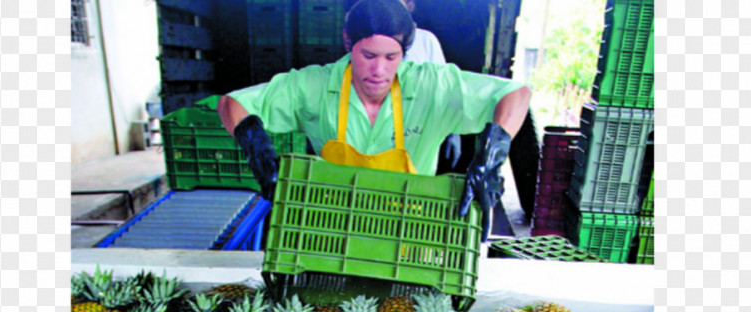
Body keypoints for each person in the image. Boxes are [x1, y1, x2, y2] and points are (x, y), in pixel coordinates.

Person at [217, 0, 530, 240]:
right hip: (331, 234)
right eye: (368, 56)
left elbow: (516, 94)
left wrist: (490, 158)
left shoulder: (431, 85)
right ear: (347, 42)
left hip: (411, 236)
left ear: (405, 51)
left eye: (391, 58)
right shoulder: (313, 86)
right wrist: (262, 159)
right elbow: (232, 104)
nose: (378, 70)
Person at [397, 0, 462, 174]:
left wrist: (453, 132)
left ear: (410, 5)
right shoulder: (370, 39)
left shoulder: (426, 41)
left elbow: (445, 89)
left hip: (419, 133)